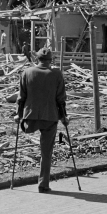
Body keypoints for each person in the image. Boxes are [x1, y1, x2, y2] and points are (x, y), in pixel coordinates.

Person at [14, 48, 68, 193]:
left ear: (37, 59)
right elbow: (60, 99)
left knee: (28, 139)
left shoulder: (26, 73)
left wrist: (18, 115)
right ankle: (43, 184)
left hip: (30, 119)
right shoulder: (56, 74)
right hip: (50, 117)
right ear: (51, 60)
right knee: (46, 152)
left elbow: (21, 98)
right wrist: (64, 117)